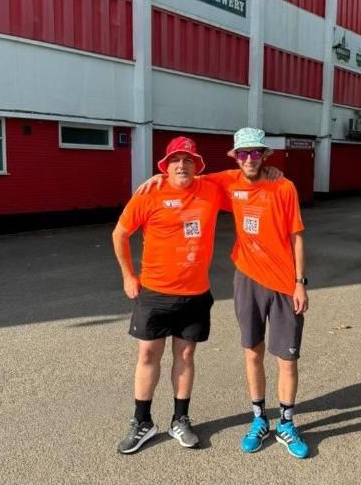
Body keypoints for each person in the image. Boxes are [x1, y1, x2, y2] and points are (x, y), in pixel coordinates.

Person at [135, 128, 308, 458]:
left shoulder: (283, 186)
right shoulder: (225, 180)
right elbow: (184, 177)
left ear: (265, 155)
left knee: (286, 359)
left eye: (255, 153)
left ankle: (286, 422)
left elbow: (297, 237)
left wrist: (301, 282)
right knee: (252, 352)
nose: (249, 160)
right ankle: (259, 420)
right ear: (235, 157)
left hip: (285, 284)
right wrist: (155, 180)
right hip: (247, 279)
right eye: (242, 154)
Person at [111, 136, 228, 454]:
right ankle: (143, 422)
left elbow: (249, 181)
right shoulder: (149, 194)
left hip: (194, 294)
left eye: (188, 160)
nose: (182, 165)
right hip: (154, 293)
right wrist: (128, 276)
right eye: (175, 160)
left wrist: (270, 172)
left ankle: (180, 419)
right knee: (148, 355)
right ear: (165, 166)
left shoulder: (211, 190)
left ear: (197, 165)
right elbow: (120, 234)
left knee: (186, 356)